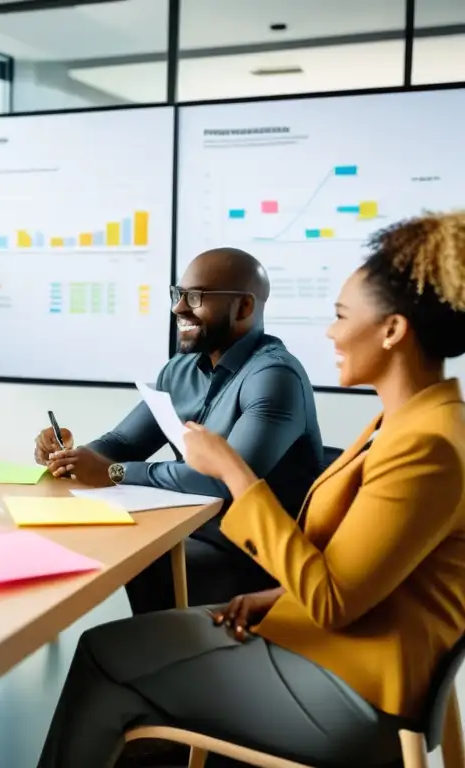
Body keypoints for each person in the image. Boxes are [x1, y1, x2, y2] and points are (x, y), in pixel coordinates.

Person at [37, 211, 465, 768]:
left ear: (392, 331)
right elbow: (369, 571)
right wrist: (276, 600)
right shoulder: (415, 421)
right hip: (324, 632)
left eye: (340, 317)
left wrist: (234, 471)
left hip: (350, 688)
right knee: (125, 642)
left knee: (103, 655)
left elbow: (334, 600)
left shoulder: (425, 443)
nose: (331, 333)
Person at [34, 248, 324, 614]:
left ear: (244, 308)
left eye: (195, 297)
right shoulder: (181, 368)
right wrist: (72, 457)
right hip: (190, 524)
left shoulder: (274, 377)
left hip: (252, 552)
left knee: (140, 556)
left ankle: (171, 654)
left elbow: (224, 483)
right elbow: (124, 442)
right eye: (178, 294)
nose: (178, 309)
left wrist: (112, 472)